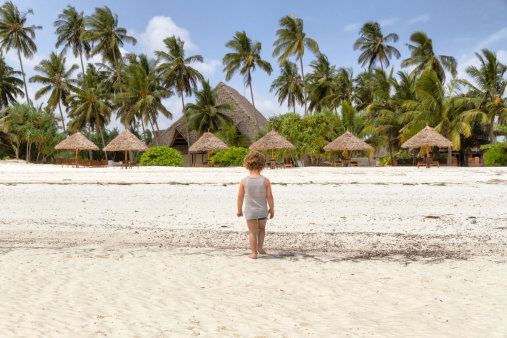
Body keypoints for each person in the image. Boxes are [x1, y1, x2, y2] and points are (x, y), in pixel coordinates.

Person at [237, 151, 274, 259]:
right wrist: (272, 209)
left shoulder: (244, 181)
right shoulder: (265, 180)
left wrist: (239, 210)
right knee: (261, 228)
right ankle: (260, 247)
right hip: (262, 210)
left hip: (250, 211)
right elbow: (269, 197)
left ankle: (253, 253)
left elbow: (240, 197)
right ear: (262, 166)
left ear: (247, 165)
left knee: (252, 233)